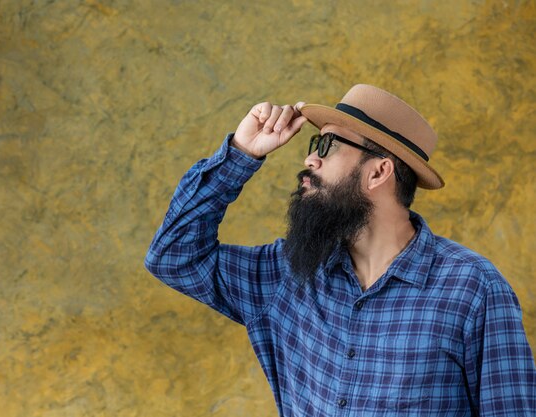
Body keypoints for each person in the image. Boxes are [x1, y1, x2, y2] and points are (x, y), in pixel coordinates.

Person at [144, 84, 535, 416]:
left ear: (379, 172)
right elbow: (173, 256)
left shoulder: (473, 290)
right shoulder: (288, 275)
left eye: (326, 145)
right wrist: (241, 154)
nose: (309, 158)